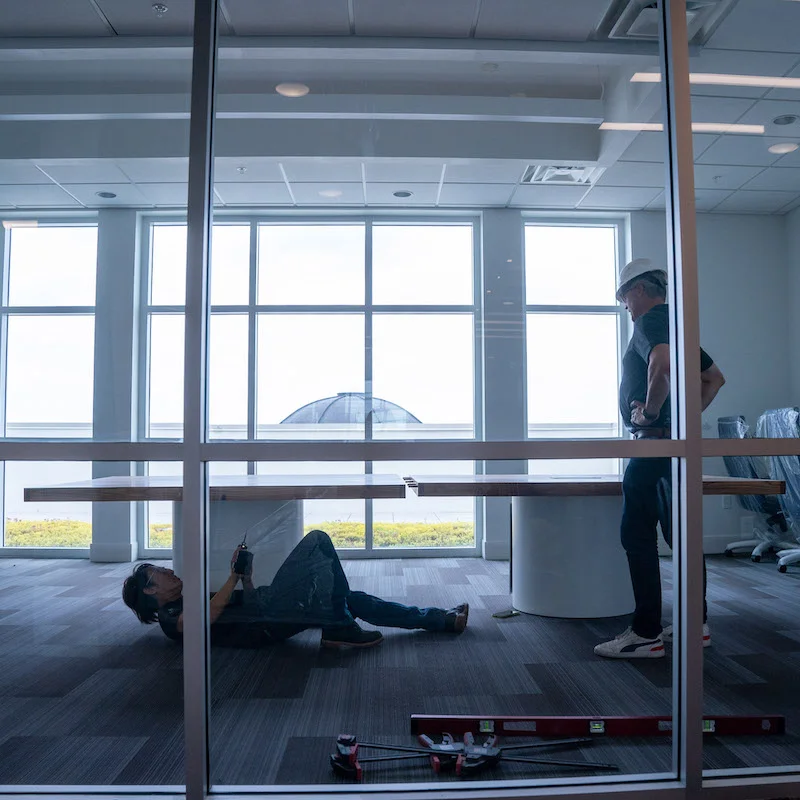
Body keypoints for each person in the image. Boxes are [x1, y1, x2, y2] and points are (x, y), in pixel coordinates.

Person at [594, 258, 726, 660]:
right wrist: (683, 421)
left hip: (652, 447)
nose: (625, 306)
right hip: (676, 448)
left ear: (638, 290)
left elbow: (662, 364)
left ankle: (645, 632)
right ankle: (693, 624)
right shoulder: (679, 323)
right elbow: (714, 378)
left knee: (636, 537)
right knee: (681, 536)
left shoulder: (651, 320)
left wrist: (650, 415)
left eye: (623, 298)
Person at [123, 529, 469, 649]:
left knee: (348, 598)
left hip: (268, 607)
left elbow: (241, 602)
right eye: (162, 572)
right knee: (318, 542)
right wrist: (231, 578)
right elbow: (208, 618)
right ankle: (339, 626)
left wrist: (244, 578)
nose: (170, 571)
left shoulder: (185, 597)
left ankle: (439, 619)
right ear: (152, 590)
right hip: (268, 624)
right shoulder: (172, 621)